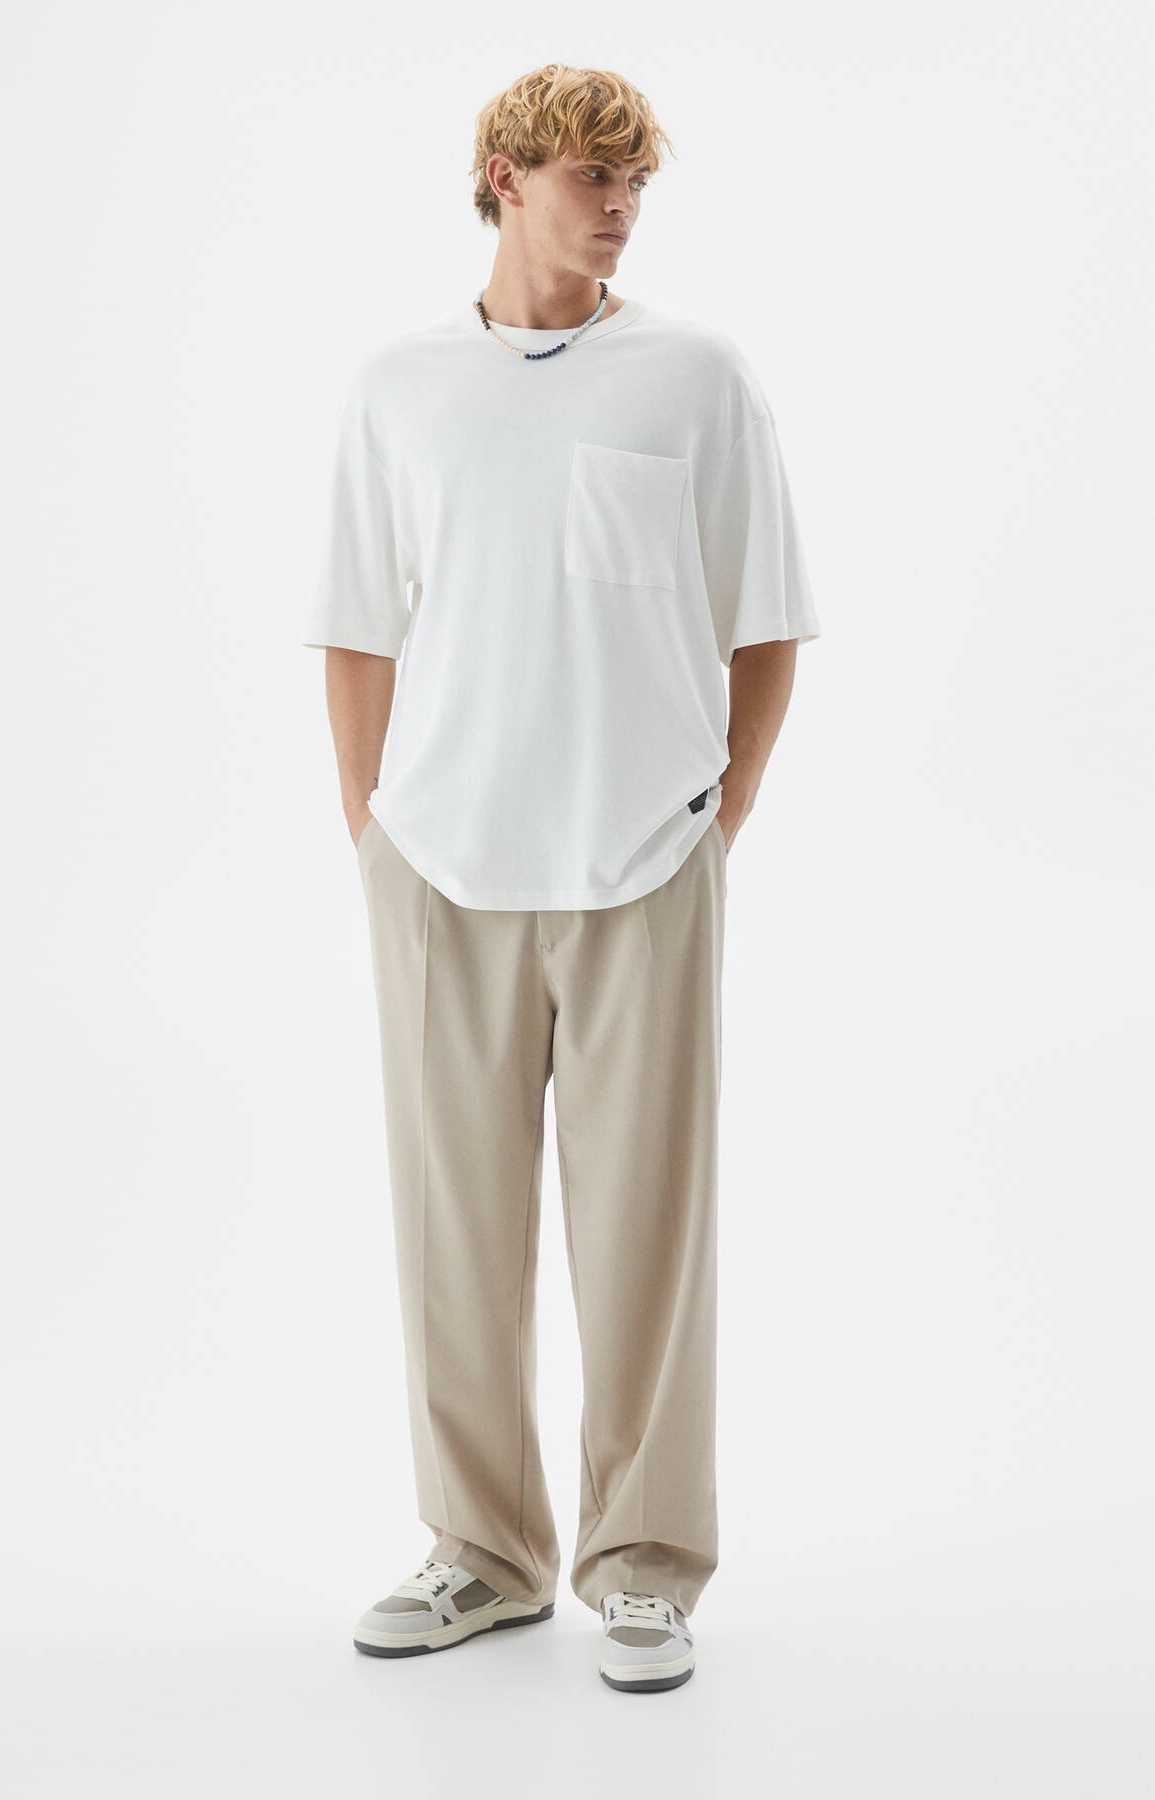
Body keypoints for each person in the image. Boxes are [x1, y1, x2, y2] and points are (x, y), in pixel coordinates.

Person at [302, 62, 821, 1692]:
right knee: (453, 1231)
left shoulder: (696, 377)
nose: (620, 207)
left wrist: (718, 818)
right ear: (505, 178)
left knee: (648, 1232)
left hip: (645, 862)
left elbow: (766, 619)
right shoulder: (399, 388)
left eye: (636, 182)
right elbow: (357, 628)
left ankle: (644, 1564)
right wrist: (372, 832)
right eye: (593, 177)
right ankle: (484, 1550)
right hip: (440, 868)